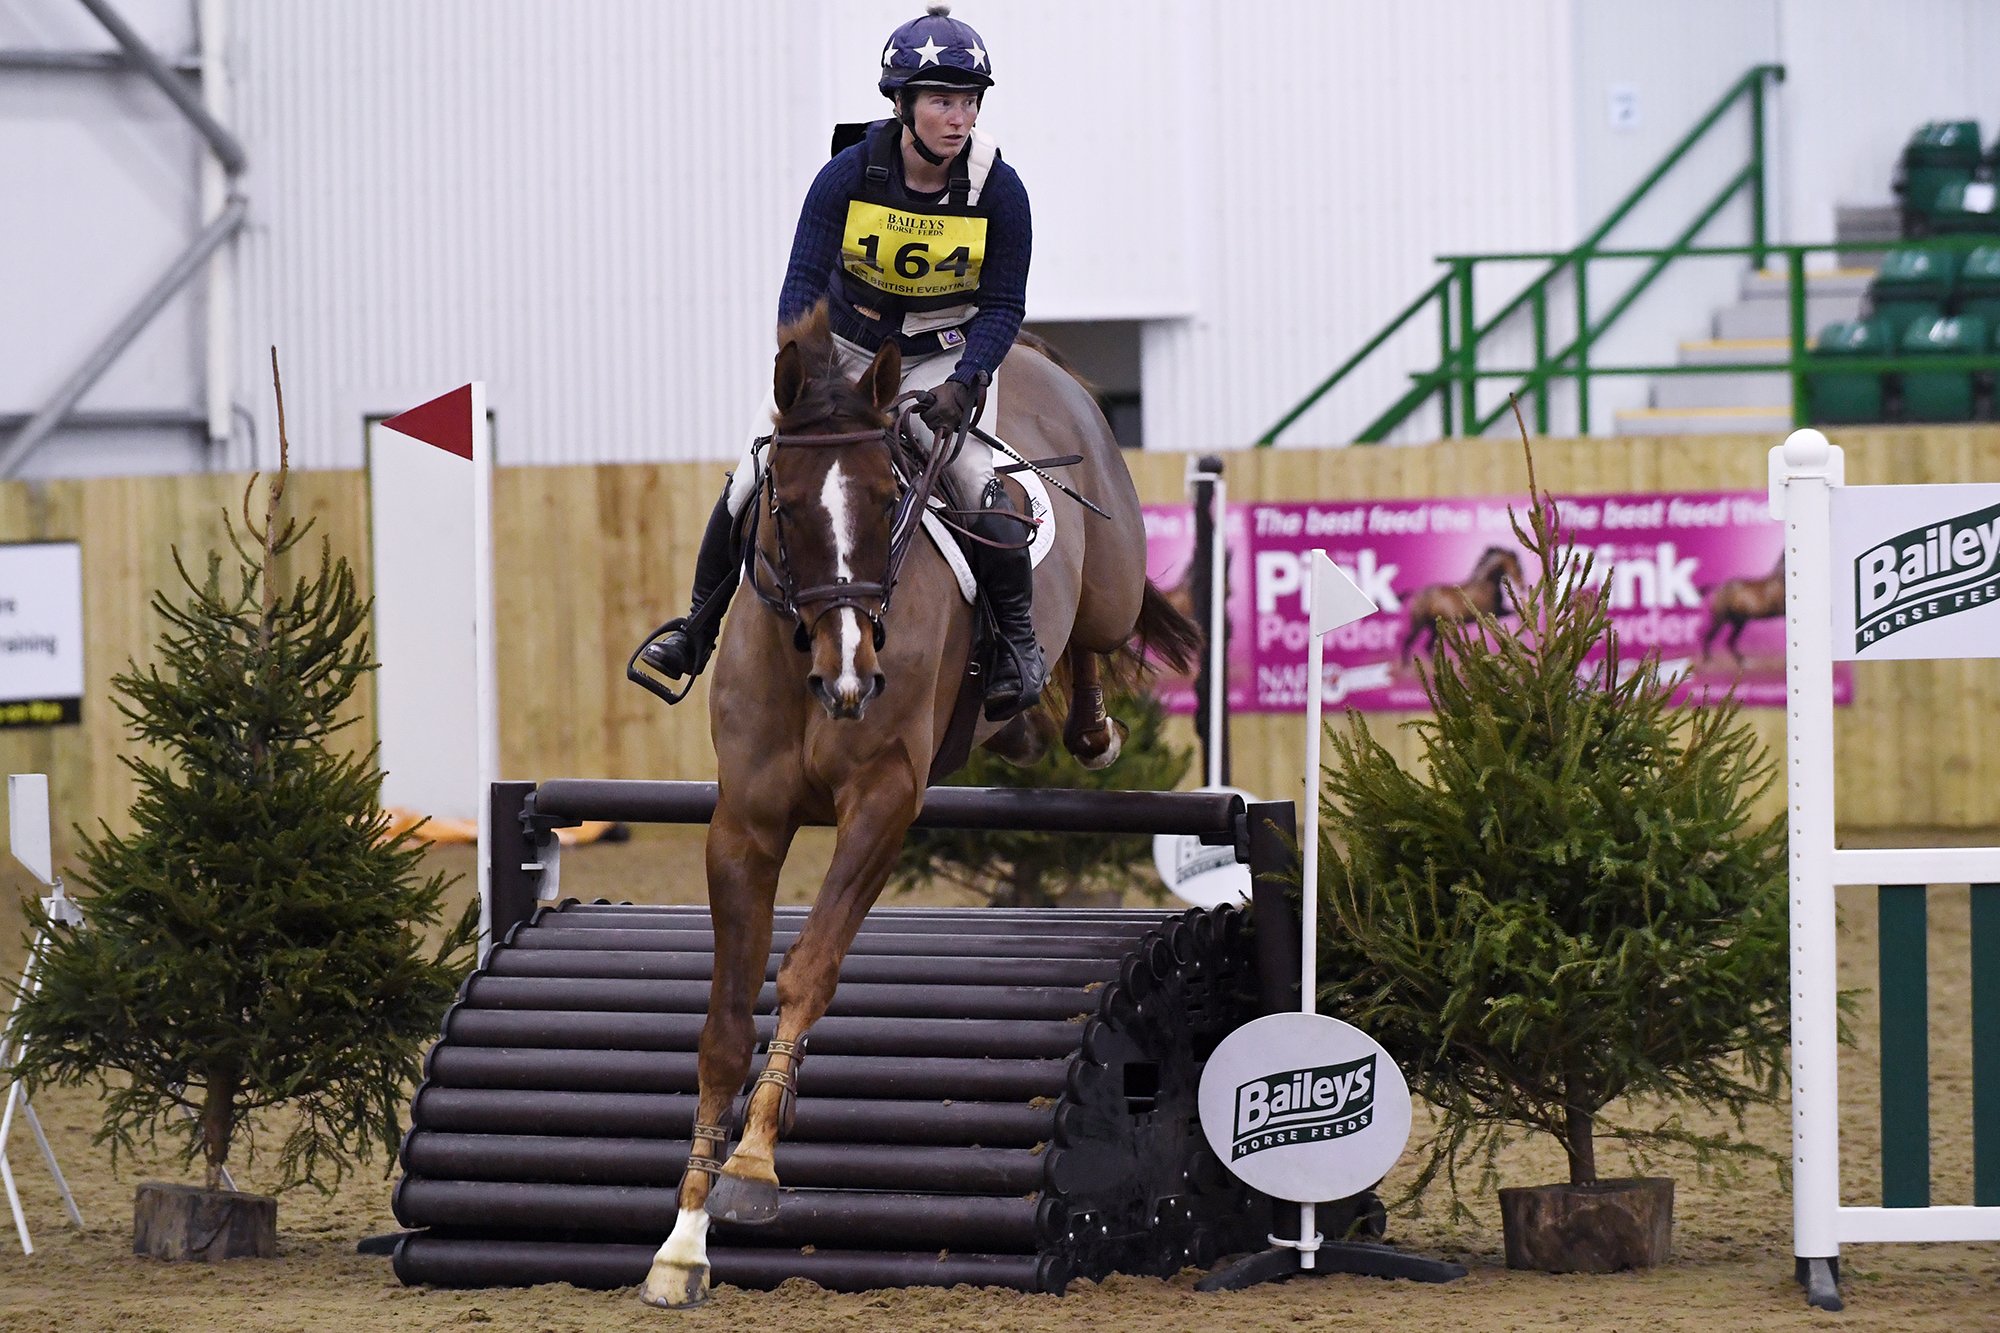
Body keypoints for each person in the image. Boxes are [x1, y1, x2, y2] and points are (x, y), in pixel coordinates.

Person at [640, 3, 1045, 722]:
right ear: (902, 103)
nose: (960, 117)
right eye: (943, 101)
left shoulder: (999, 192)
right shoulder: (847, 176)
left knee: (984, 489)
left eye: (970, 101)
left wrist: (965, 382)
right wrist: (811, 377)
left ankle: (1018, 645)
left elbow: (1004, 308)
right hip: (844, 357)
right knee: (749, 476)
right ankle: (695, 633)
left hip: (939, 359)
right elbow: (801, 285)